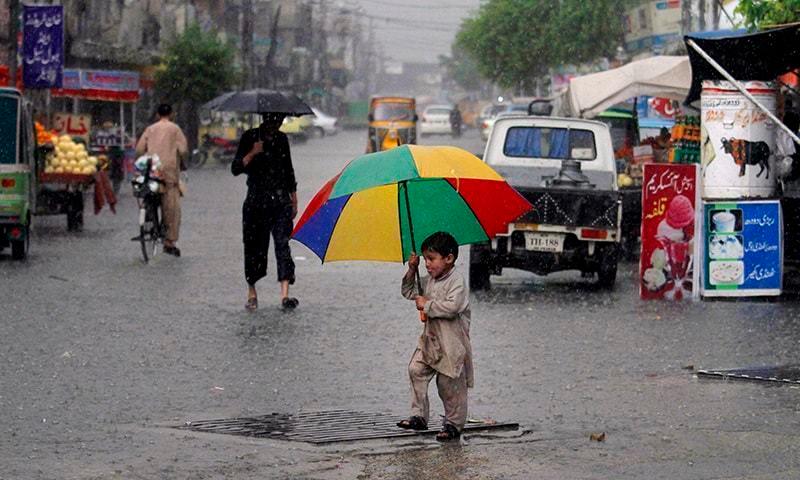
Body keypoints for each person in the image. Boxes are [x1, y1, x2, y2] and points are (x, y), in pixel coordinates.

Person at [397, 231, 473, 442]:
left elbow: (452, 307)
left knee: (449, 385)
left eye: (432, 259)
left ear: (449, 258)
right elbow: (409, 292)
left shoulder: (456, 281)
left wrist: (427, 305)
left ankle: (453, 424)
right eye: (425, 259)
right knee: (416, 370)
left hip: (451, 343)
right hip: (431, 341)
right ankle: (419, 415)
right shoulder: (429, 280)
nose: (427, 264)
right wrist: (412, 269)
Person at [231, 113, 299, 312]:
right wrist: (252, 153)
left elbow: (288, 170)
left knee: (283, 244)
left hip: (280, 202)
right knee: (254, 247)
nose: (276, 125)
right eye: (273, 121)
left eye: (279, 122)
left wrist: (293, 197)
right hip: (256, 201)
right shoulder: (250, 137)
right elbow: (235, 168)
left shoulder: (281, 139)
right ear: (265, 120)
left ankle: (285, 295)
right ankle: (252, 291)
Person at [135, 104, 188, 257]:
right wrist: (183, 164)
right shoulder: (175, 129)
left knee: (150, 195)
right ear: (171, 114)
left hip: (151, 171)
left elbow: (139, 149)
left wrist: (143, 160)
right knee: (171, 208)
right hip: (169, 173)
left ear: (158, 114)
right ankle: (169, 242)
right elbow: (183, 150)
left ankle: (150, 220)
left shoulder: (150, 129)